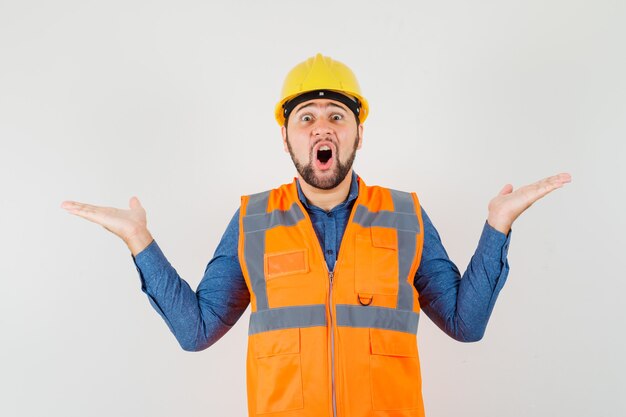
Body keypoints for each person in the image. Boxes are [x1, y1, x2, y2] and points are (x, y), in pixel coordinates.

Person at [61, 53, 572, 417]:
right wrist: (139, 243)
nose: (321, 127)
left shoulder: (406, 215)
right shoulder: (251, 220)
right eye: (305, 118)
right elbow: (197, 330)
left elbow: (466, 323)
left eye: (336, 116)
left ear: (358, 132)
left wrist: (498, 227)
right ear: (286, 135)